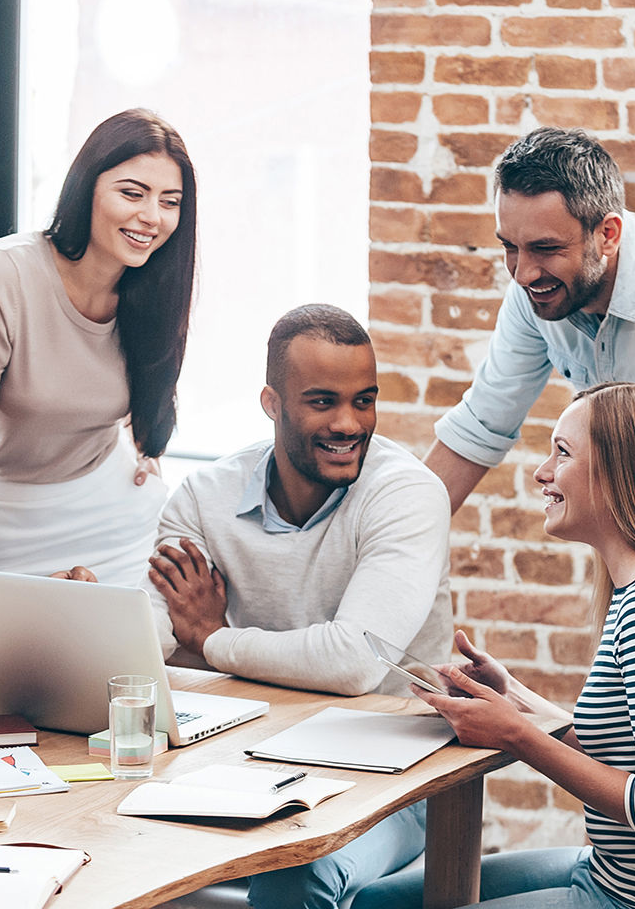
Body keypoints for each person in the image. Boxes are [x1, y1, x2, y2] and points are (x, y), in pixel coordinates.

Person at [144, 304, 453, 909]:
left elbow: (355, 661)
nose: (349, 423)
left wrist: (211, 642)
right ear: (272, 403)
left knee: (299, 873)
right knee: (118, 844)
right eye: (322, 402)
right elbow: (145, 632)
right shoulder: (204, 497)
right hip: (239, 760)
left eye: (364, 400)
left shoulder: (407, 494)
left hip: (394, 777)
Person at [356, 381, 635, 909]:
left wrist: (518, 738)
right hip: (604, 872)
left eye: (563, 452)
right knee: (377, 903)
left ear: (620, 473)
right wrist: (515, 698)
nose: (542, 472)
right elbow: (623, 748)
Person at [0, 107, 196, 656]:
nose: (152, 217)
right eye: (132, 193)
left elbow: (146, 401)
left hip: (112, 515)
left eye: (170, 202)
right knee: (10, 664)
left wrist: (146, 455)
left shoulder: (156, 289)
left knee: (130, 662)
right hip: (10, 519)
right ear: (87, 188)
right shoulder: (8, 274)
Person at [424, 127, 635, 514]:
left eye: (546, 248)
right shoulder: (538, 293)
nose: (523, 274)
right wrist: (392, 545)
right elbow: (481, 424)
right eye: (510, 246)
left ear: (607, 235)